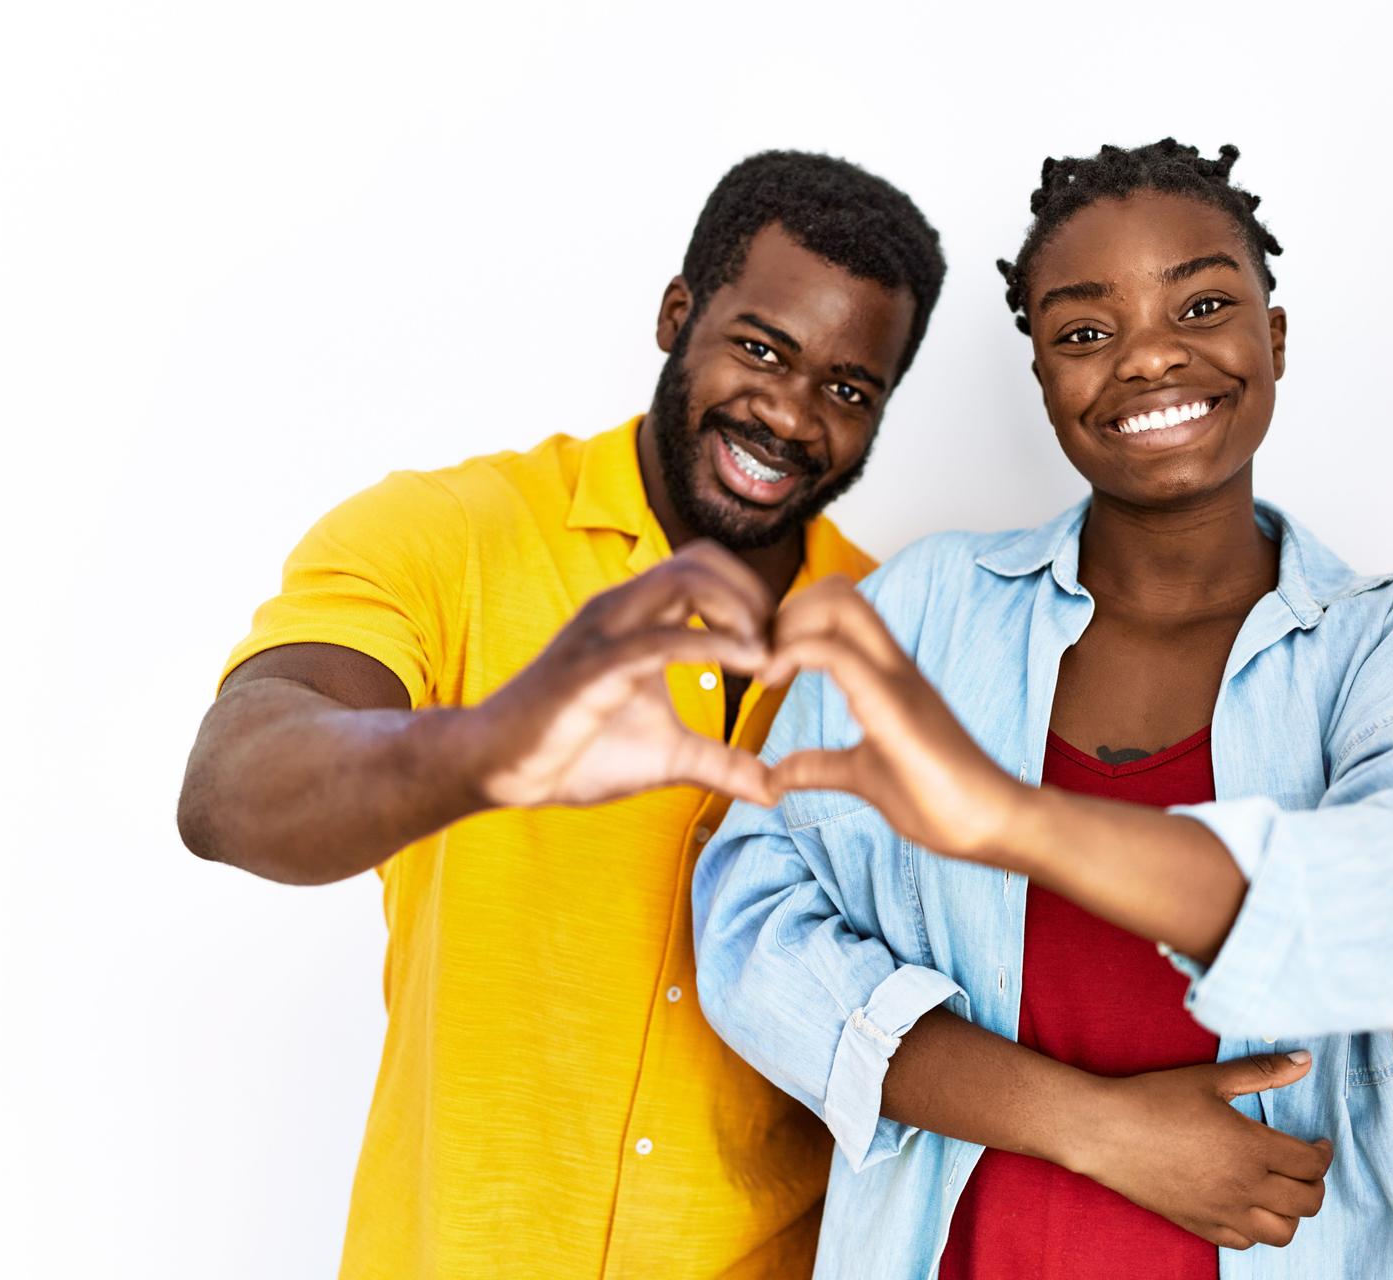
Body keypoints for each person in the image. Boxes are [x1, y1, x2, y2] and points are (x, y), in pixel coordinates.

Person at [694, 139, 1393, 1278]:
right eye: (1085, 331)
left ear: (1273, 338)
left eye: (1201, 303)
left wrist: (1012, 820)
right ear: (1042, 376)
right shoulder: (923, 610)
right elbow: (750, 924)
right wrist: (1094, 1126)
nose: (1148, 357)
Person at [175, 150, 947, 1279]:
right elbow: (231, 790)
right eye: (761, 348)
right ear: (677, 313)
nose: (789, 412)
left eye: (847, 388)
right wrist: (490, 744)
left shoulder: (903, 640)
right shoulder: (446, 533)